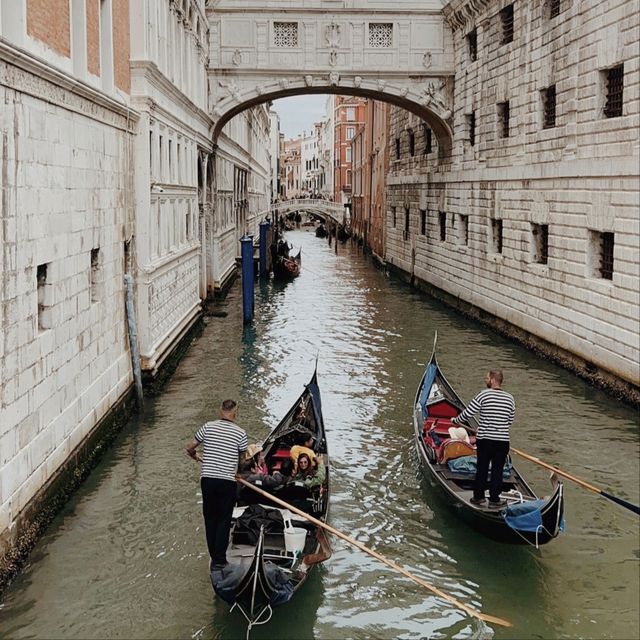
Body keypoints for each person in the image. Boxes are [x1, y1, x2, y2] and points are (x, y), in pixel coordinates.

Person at [185, 399, 248, 569]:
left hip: (208, 480)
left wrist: (194, 455)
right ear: (235, 412)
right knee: (223, 519)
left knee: (210, 518)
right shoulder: (240, 433)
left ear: (221, 411)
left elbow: (189, 447)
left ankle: (214, 556)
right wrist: (239, 473)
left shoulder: (208, 427)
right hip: (226, 482)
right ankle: (219, 560)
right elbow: (242, 461)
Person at [451, 369, 515, 508]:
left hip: (486, 440)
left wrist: (456, 420)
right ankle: (494, 500)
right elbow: (509, 421)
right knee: (497, 470)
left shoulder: (483, 395)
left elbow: (468, 413)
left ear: (492, 379)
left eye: (487, 377)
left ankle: (479, 498)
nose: (485, 380)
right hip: (503, 441)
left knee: (482, 468)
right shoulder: (510, 398)